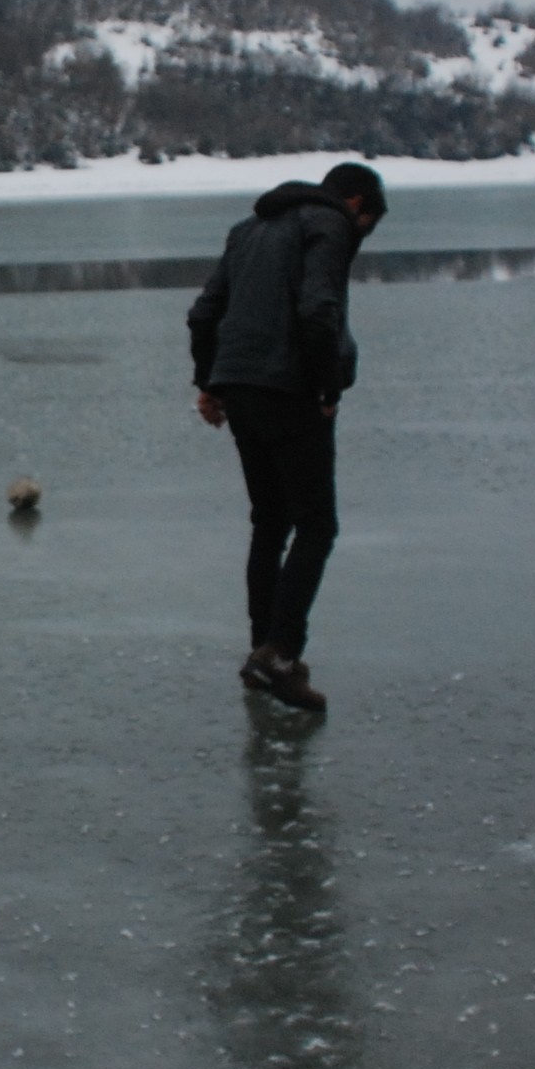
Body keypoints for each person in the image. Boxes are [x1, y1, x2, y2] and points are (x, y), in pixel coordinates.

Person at [186, 161, 386, 713]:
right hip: (290, 388)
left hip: (242, 387)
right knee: (317, 525)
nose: (361, 238)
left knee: (271, 522)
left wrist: (211, 383)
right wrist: (328, 386)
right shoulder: (329, 225)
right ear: (354, 206)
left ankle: (262, 654)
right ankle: (279, 656)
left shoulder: (248, 230)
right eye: (367, 226)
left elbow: (204, 313)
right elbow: (319, 309)